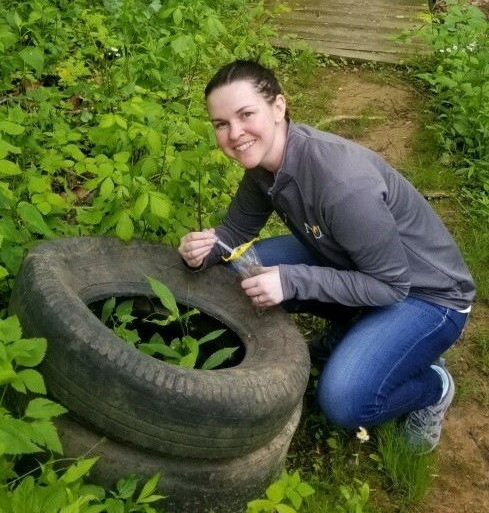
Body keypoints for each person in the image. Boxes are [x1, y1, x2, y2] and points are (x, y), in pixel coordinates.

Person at [178, 59, 475, 452]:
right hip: (357, 264)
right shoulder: (264, 166)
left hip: (428, 296)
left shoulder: (342, 184)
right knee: (243, 271)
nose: (235, 133)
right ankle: (356, 327)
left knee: (344, 400)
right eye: (221, 123)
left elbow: (391, 286)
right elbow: (234, 234)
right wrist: (203, 249)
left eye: (246, 114)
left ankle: (434, 386)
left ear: (279, 108)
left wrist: (291, 280)